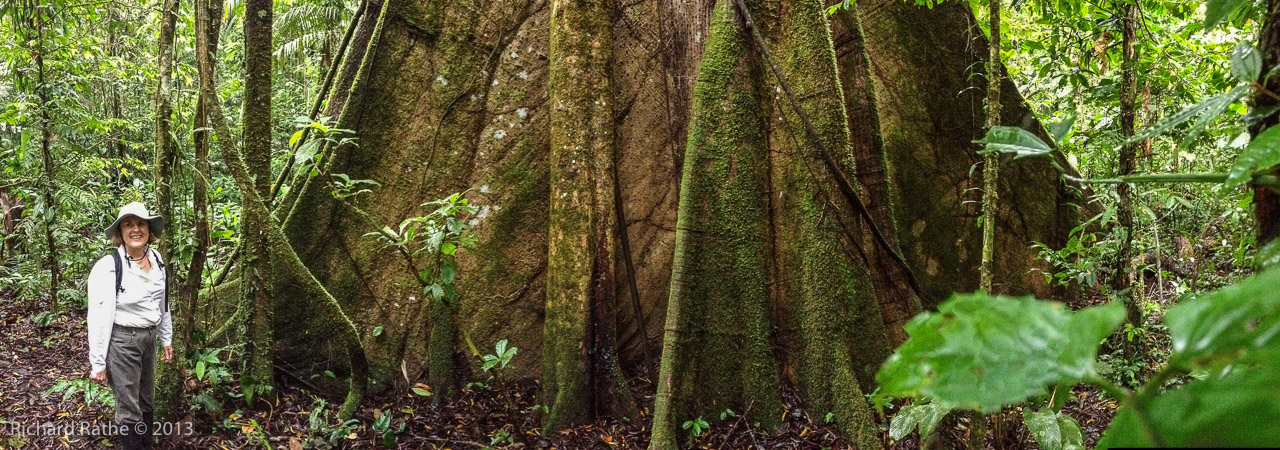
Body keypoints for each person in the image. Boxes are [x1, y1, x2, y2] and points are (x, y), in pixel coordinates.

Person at [87, 202, 174, 450]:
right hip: (123, 342)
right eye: (128, 224)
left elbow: (162, 302)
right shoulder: (109, 266)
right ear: (120, 232)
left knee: (146, 400)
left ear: (149, 229)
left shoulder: (156, 259)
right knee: (129, 408)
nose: (136, 229)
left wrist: (166, 337)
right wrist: (98, 363)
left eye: (141, 223)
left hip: (149, 339)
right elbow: (98, 316)